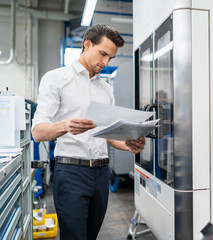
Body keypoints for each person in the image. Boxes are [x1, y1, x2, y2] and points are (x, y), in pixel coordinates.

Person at [32, 24, 145, 240]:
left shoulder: (106, 89)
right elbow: (37, 132)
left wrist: (128, 144)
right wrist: (65, 126)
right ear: (87, 44)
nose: (105, 62)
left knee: (91, 235)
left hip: (101, 174)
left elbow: (108, 135)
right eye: (103, 54)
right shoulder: (56, 78)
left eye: (110, 58)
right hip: (72, 172)